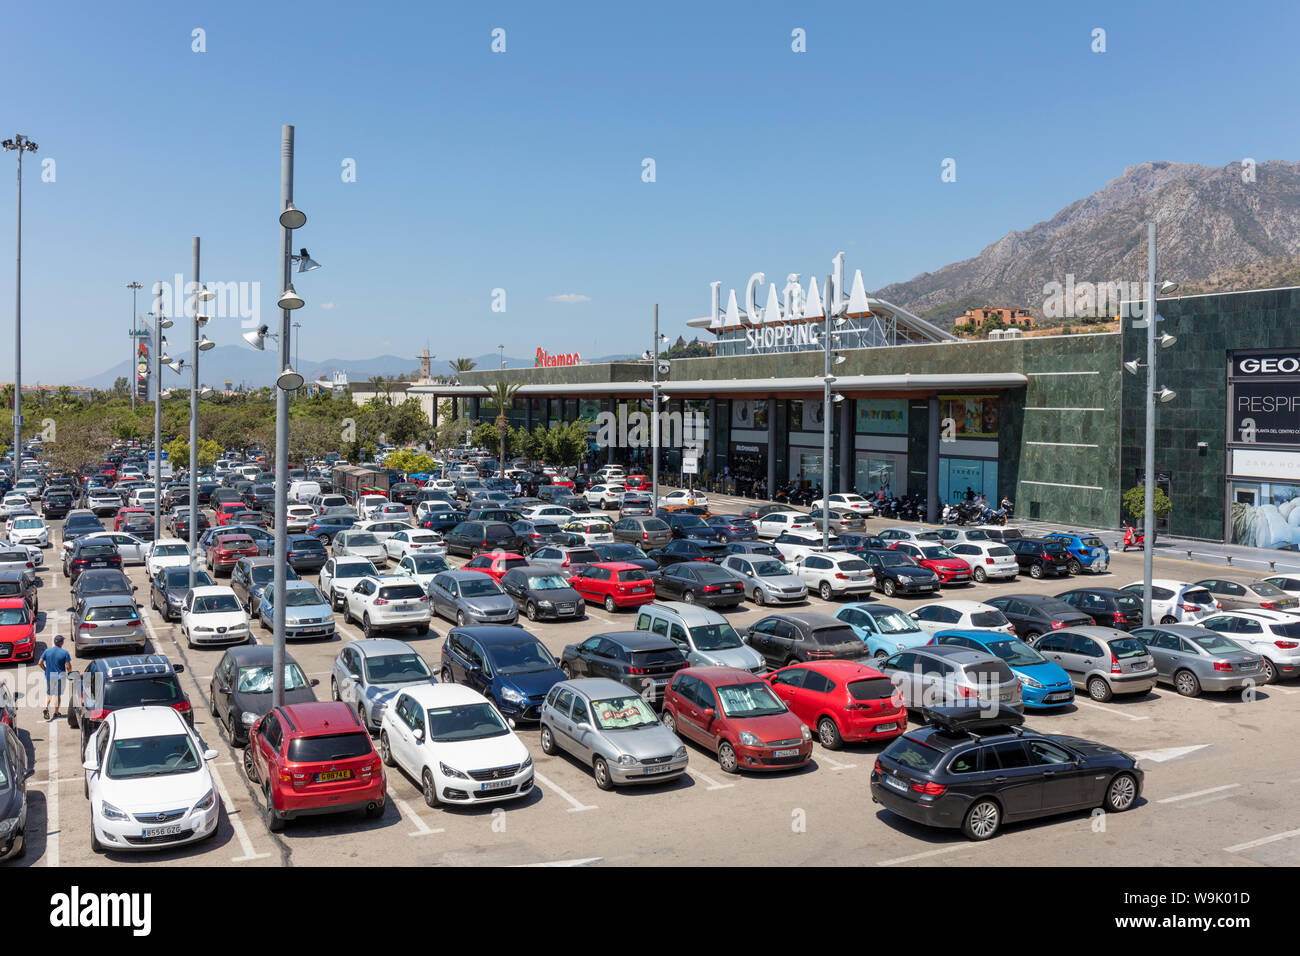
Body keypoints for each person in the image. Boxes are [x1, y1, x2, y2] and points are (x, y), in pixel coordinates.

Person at [39, 634, 72, 721]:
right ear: (62, 643)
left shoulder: (47, 651)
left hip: (49, 675)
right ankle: (56, 712)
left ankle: (46, 708)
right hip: (60, 676)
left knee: (49, 693)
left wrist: (45, 669)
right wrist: (70, 674)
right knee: (57, 695)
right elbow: (68, 666)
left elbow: (40, 663)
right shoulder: (65, 653)